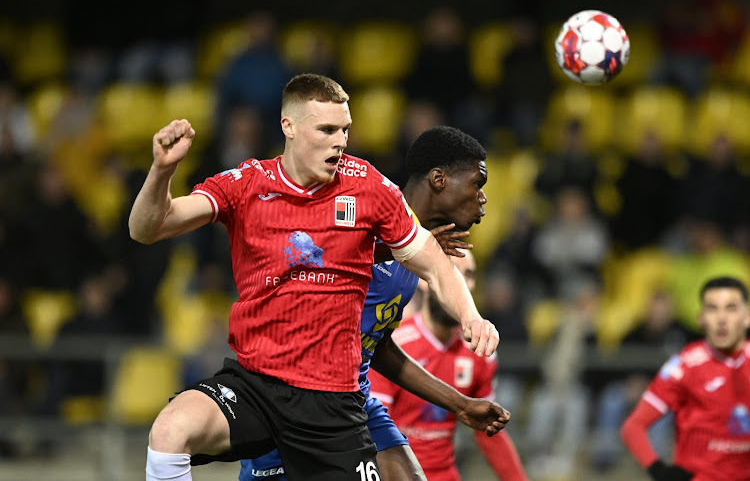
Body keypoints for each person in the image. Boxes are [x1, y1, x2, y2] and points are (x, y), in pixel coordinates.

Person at [128, 73, 499, 481]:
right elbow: (147, 228)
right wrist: (162, 172)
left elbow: (432, 261)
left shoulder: (369, 188)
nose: (340, 141)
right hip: (258, 385)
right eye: (326, 129)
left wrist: (471, 317)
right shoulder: (246, 184)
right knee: (169, 430)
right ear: (289, 127)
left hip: (333, 403)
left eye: (345, 129)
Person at [239, 125, 509, 481]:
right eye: (477, 184)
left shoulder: (418, 252)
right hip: (290, 395)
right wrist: (388, 251)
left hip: (353, 397)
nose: (483, 198)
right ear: (439, 179)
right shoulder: (365, 213)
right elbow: (304, 259)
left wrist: (459, 404)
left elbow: (375, 345)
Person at [369, 250, 529, 481]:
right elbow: (374, 433)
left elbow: (488, 432)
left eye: (469, 275)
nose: (462, 284)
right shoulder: (390, 346)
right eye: (454, 272)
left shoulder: (479, 353)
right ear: (426, 279)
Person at [620, 276, 750, 481]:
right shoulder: (684, 367)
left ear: (747, 317)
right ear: (701, 318)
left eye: (731, 308)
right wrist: (660, 472)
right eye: (712, 309)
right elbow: (633, 427)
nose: (721, 318)